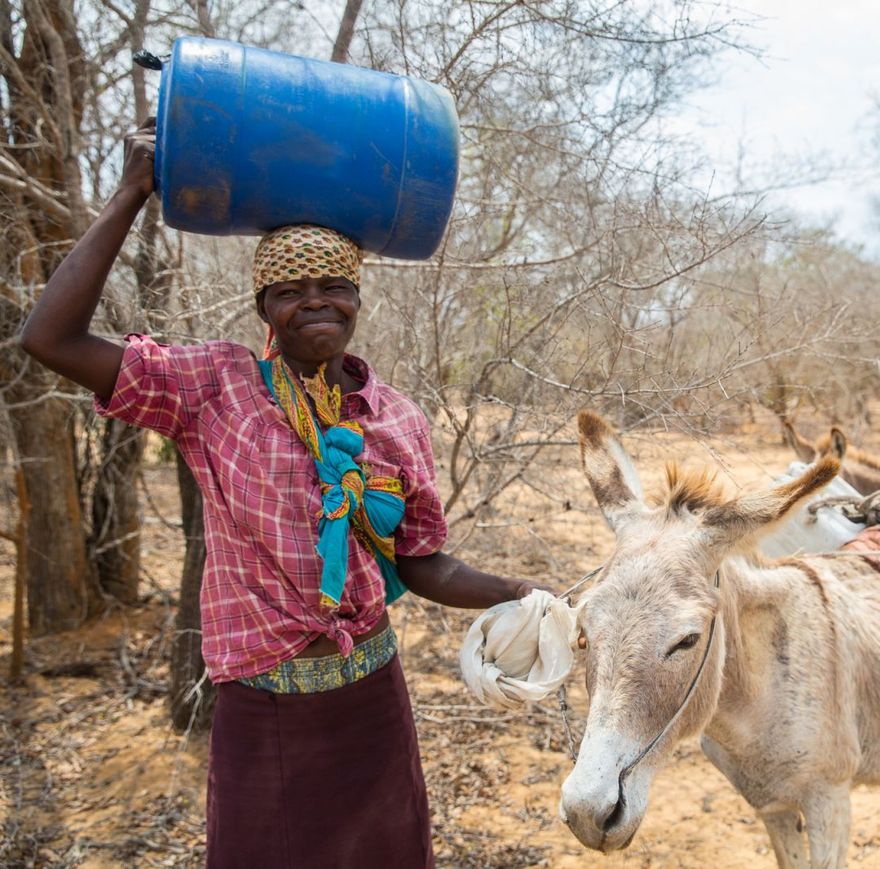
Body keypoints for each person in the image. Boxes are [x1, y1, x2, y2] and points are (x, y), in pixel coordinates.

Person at [20, 119, 548, 868]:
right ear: (264, 307)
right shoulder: (215, 390)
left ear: (357, 297)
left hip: (371, 698)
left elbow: (424, 562)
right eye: (290, 290)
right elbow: (51, 338)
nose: (315, 303)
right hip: (263, 710)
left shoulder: (392, 418)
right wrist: (130, 194)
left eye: (333, 284)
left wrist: (522, 592)